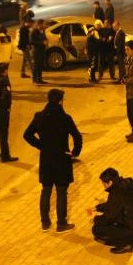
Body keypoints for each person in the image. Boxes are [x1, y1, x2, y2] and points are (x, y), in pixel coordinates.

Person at [23, 89, 83, 233]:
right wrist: (74, 153)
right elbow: (77, 137)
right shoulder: (65, 118)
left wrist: (41, 146)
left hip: (46, 159)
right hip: (62, 158)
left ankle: (45, 222)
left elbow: (27, 135)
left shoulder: (39, 116)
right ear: (60, 101)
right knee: (62, 192)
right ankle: (61, 223)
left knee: (46, 190)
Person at [91, 167, 133, 254]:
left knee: (97, 229)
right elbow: (113, 205)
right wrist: (97, 208)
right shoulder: (126, 184)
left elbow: (109, 216)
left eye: (104, 184)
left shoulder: (116, 192)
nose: (104, 186)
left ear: (110, 182)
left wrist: (96, 219)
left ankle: (127, 244)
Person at [31, 19, 48, 84]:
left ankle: (40, 79)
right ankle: (35, 80)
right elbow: (32, 42)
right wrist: (42, 43)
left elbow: (44, 38)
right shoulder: (34, 31)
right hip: (36, 51)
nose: (44, 25)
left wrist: (46, 41)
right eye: (43, 24)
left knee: (40, 66)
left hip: (42, 51)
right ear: (39, 24)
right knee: (36, 66)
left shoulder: (42, 30)